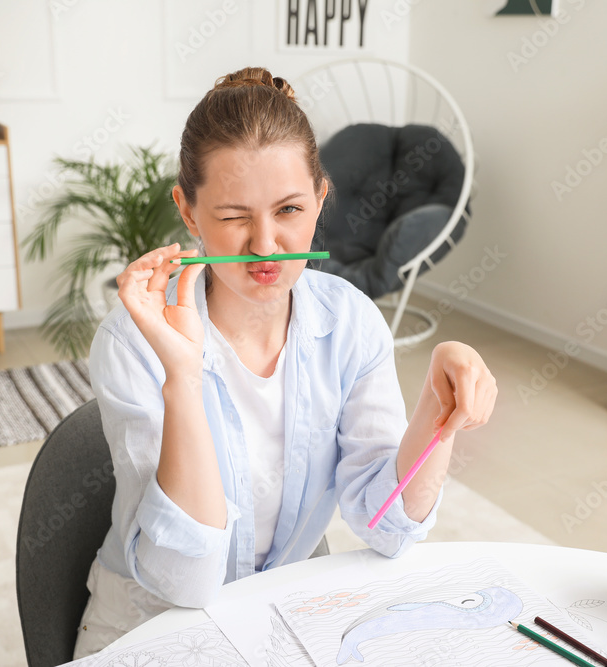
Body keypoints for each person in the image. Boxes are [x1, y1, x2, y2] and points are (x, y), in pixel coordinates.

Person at [73, 66, 497, 658]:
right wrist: (183, 376)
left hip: (274, 618)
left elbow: (386, 527)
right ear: (189, 213)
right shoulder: (133, 341)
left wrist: (438, 405)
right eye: (234, 217)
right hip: (150, 625)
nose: (266, 244)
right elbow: (188, 582)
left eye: (290, 210)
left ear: (321, 200)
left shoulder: (349, 324)